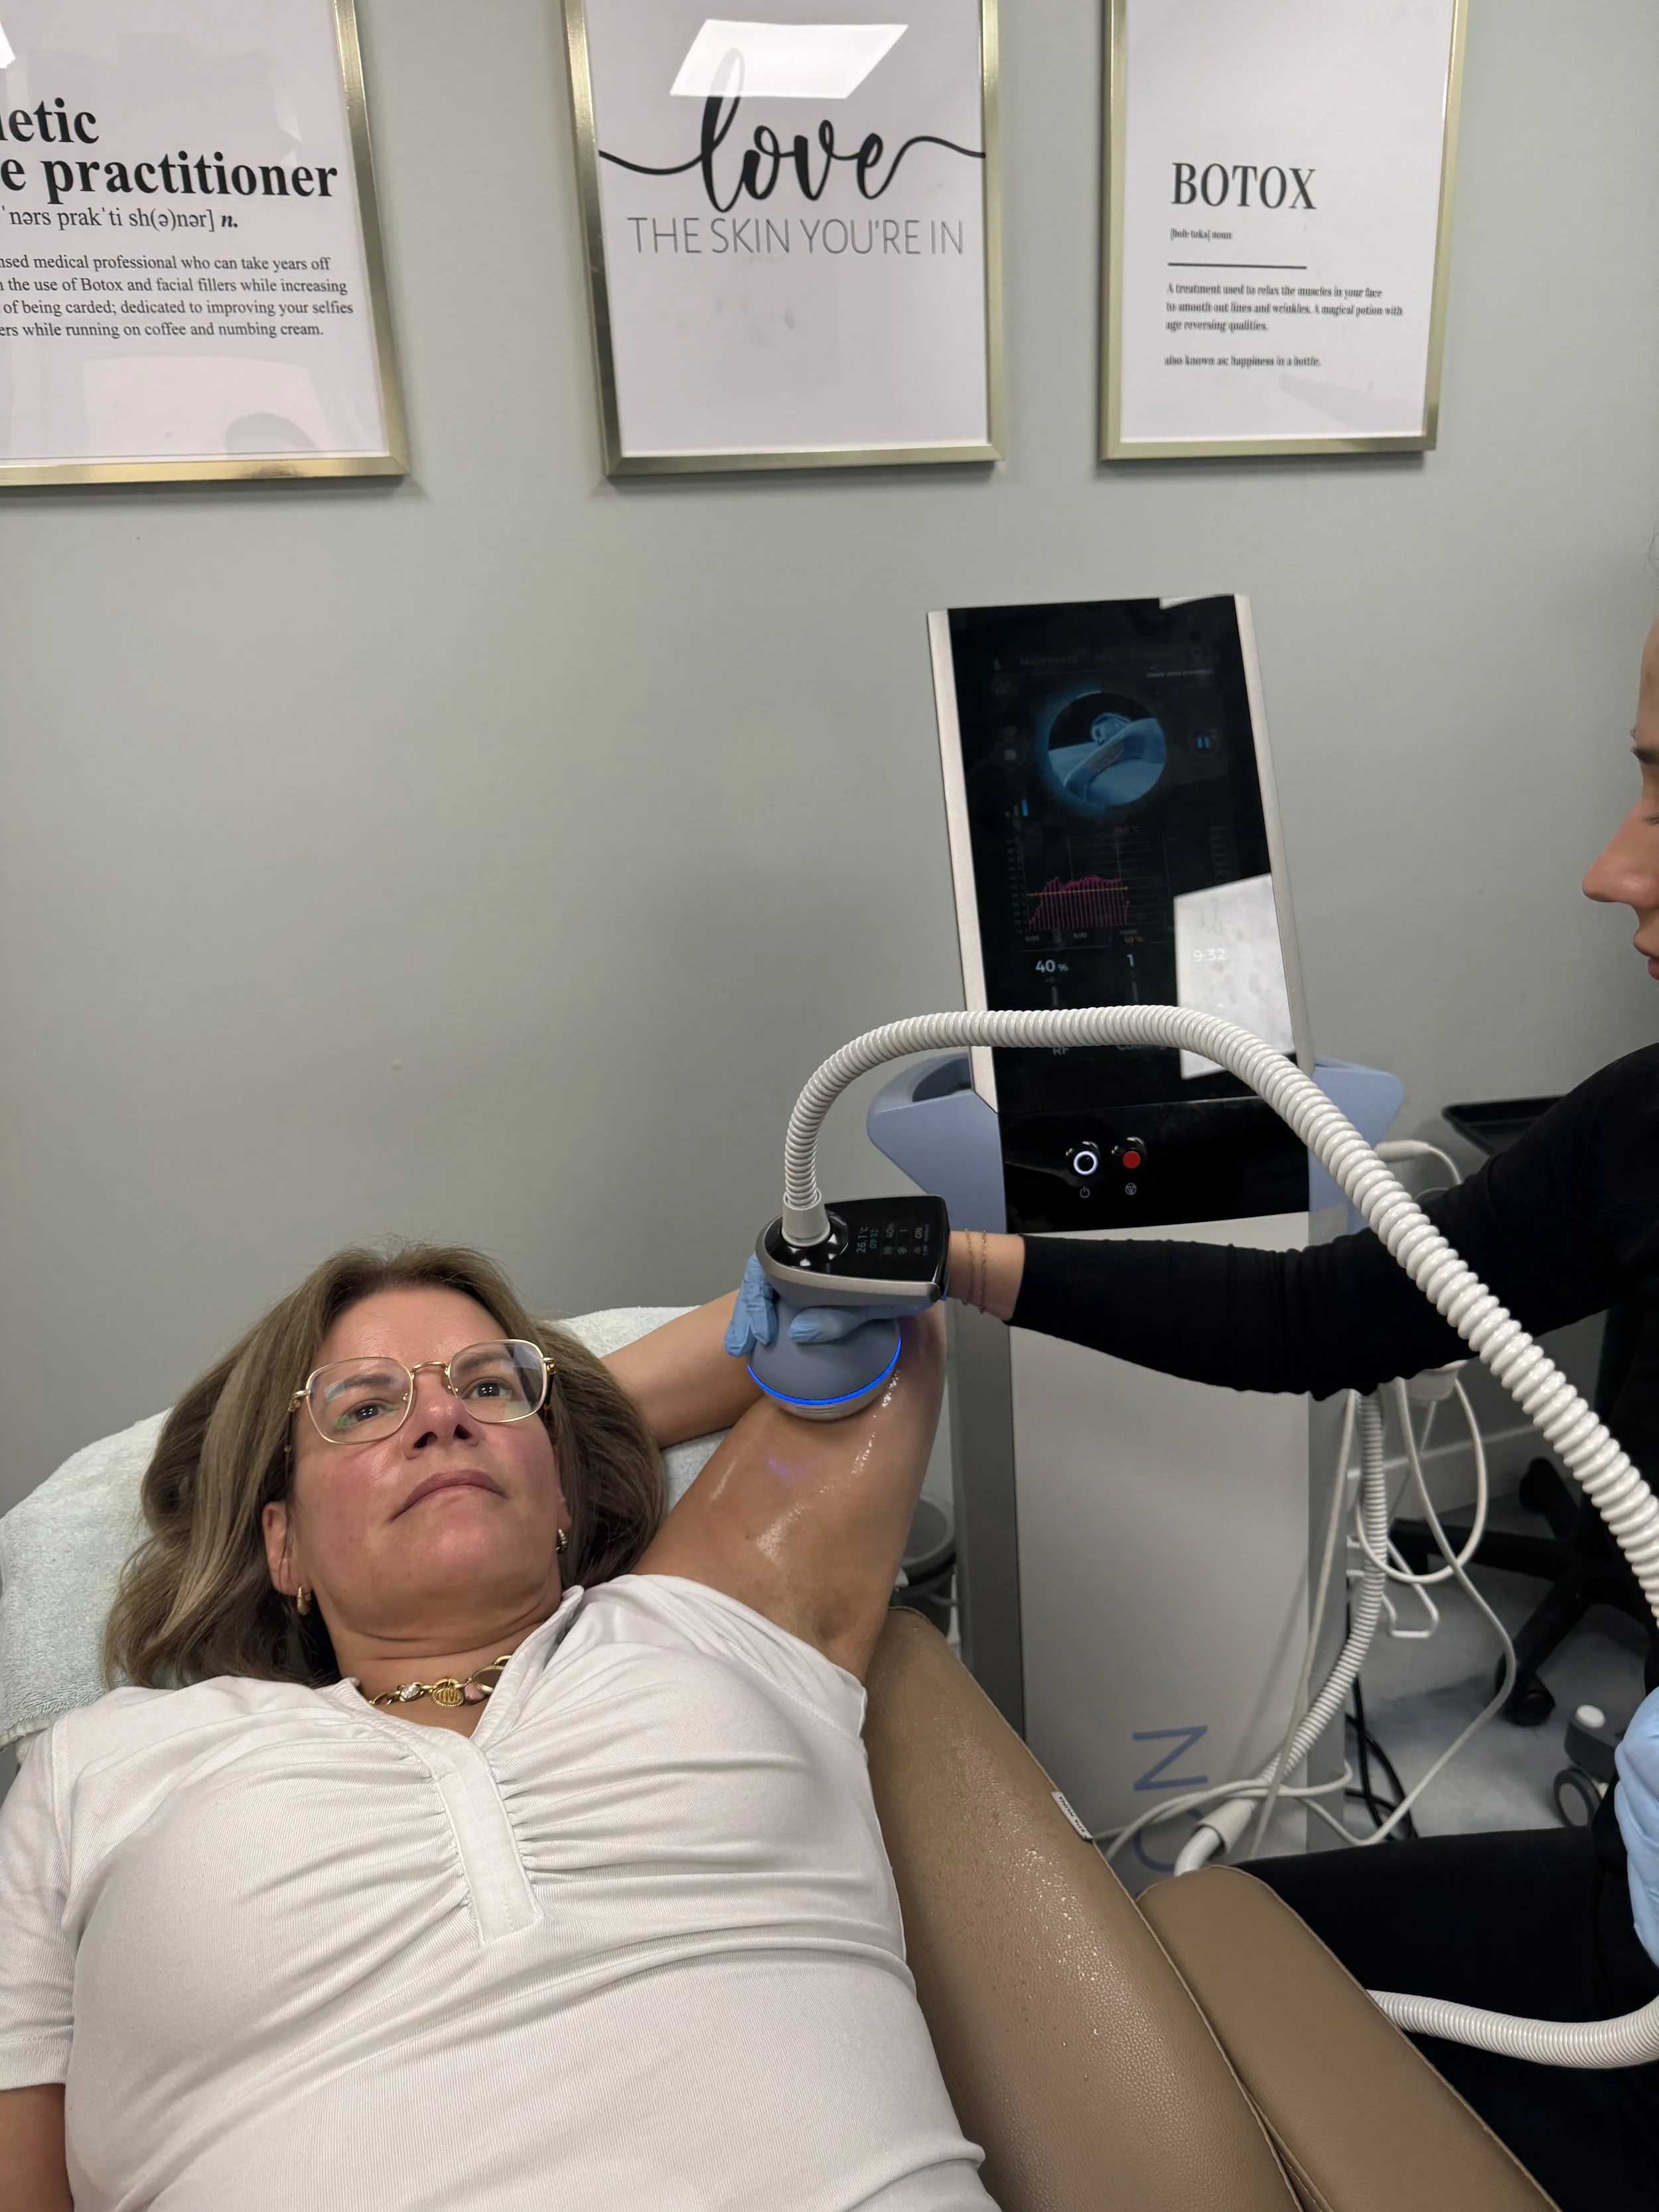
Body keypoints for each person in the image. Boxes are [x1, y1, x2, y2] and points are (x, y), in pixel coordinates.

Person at [919, 609, 1659, 2212]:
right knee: (1169, 1965)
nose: (1607, 868)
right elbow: (1310, 1315)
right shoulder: (1646, 1127)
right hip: (1638, 1896)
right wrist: (960, 1262)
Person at [0, 1243, 992, 2212]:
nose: (438, 1416)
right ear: (284, 1544)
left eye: (488, 1387)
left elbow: (880, 1298)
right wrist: (484, 1433)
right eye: (366, 1406)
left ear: (565, 1494)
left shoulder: (717, 1624)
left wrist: (554, 1434)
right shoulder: (99, 1768)